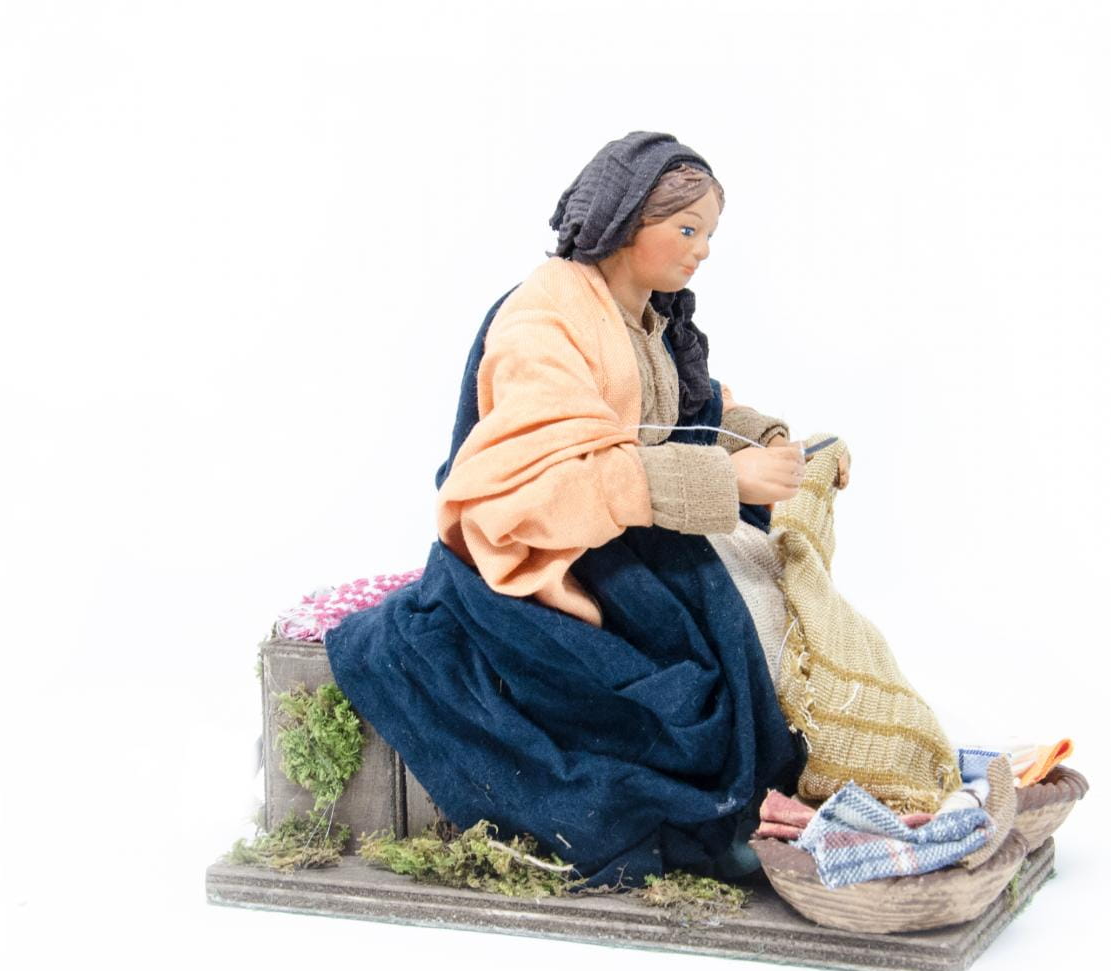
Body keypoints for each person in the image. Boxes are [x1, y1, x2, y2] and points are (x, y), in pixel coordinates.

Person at [326, 132, 841, 887]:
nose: (702, 251)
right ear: (627, 220)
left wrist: (767, 438)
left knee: (763, 593)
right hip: (543, 549)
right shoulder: (544, 318)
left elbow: (691, 410)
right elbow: (540, 483)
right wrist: (727, 482)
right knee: (695, 657)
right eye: (686, 229)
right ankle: (705, 820)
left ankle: (764, 791)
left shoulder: (650, 317)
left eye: (708, 234)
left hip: (624, 526)